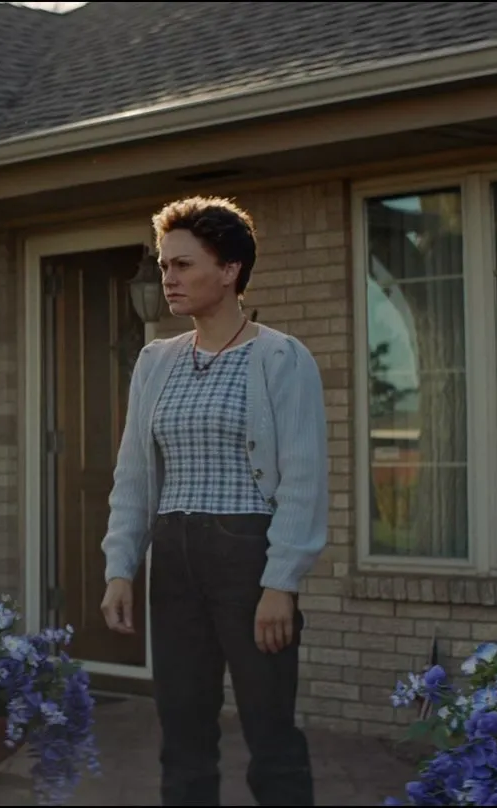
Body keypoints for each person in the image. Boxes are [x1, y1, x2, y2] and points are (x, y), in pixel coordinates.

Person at [98, 196, 326, 806]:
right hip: (174, 559)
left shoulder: (280, 357)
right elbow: (134, 476)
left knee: (270, 733)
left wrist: (281, 583)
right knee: (183, 735)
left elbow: (303, 481)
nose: (168, 278)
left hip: (247, 559)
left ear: (229, 270)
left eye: (183, 265)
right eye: (164, 266)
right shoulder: (156, 361)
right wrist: (120, 568)